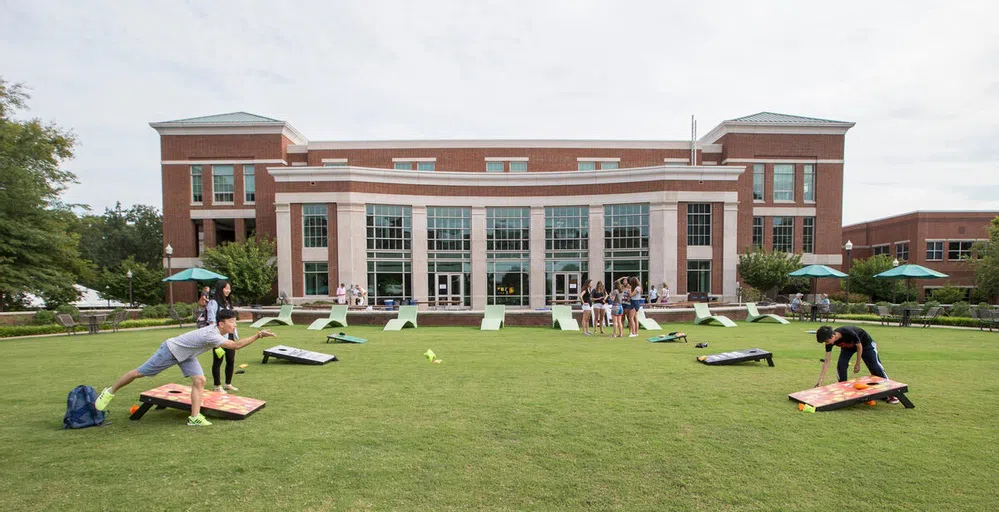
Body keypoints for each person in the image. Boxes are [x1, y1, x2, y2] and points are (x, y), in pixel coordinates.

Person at [93, 310, 276, 426]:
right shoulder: (212, 334)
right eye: (232, 322)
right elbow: (235, 346)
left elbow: (221, 345)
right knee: (139, 373)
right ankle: (109, 391)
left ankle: (194, 417)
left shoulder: (216, 333)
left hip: (187, 355)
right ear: (221, 323)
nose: (235, 325)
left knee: (200, 380)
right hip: (171, 351)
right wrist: (259, 335)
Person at [814, 325, 900, 404]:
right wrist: (820, 381)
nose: (827, 343)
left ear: (833, 336)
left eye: (827, 341)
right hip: (848, 348)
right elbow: (827, 361)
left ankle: (892, 394)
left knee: (875, 367)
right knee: (841, 366)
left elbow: (859, 346)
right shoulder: (829, 342)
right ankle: (844, 391)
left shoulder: (848, 332)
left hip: (866, 345)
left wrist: (857, 364)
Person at [207, 281, 238, 393]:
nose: (228, 291)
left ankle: (228, 384)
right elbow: (211, 320)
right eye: (226, 288)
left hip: (229, 335)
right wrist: (215, 338)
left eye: (229, 288)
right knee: (218, 360)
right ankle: (217, 386)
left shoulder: (227, 303)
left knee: (231, 360)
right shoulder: (213, 303)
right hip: (218, 336)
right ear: (220, 289)